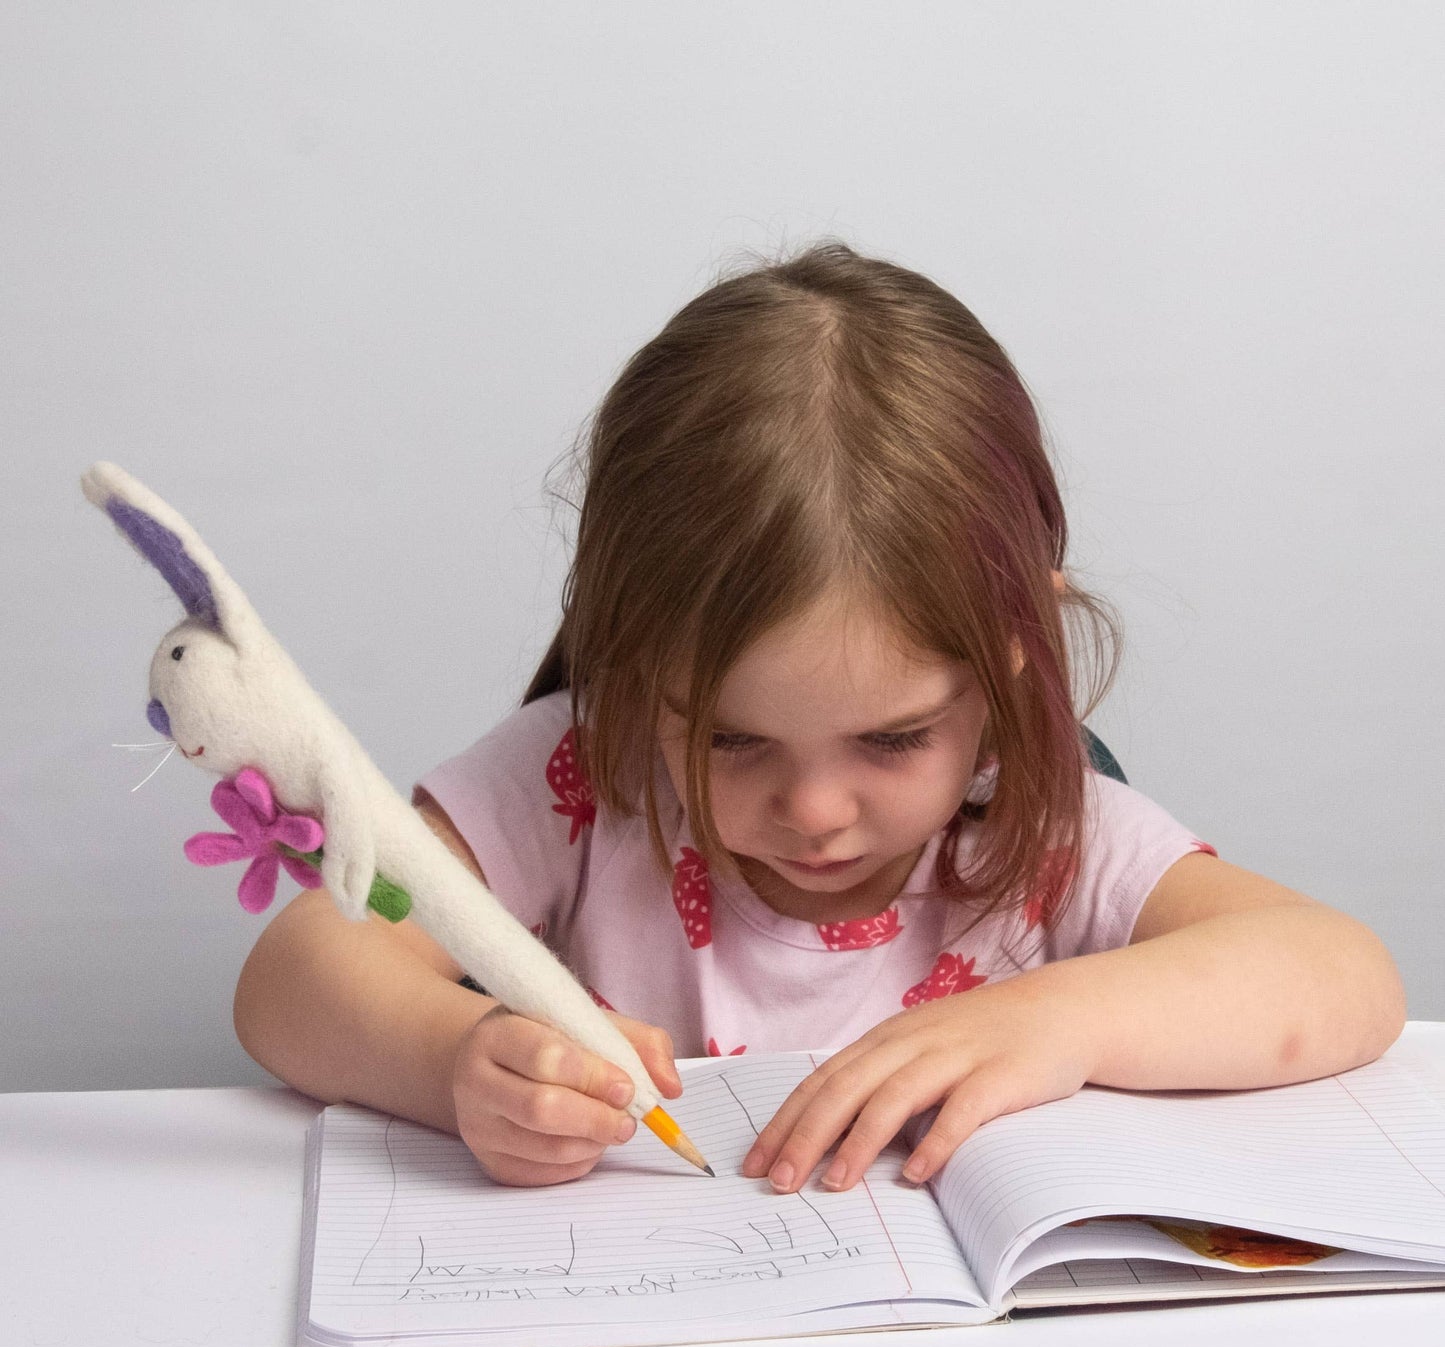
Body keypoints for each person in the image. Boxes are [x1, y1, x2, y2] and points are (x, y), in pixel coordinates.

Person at [234, 242, 1405, 1195]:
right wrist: (454, 1062)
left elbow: (1341, 976)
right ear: (634, 664)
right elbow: (291, 980)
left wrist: (1059, 1019)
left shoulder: (1037, 826)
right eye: (728, 737)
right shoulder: (587, 771)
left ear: (1014, 652)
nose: (814, 808)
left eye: (893, 739)